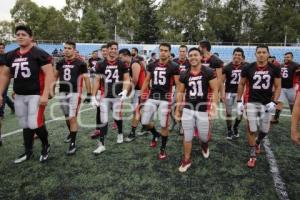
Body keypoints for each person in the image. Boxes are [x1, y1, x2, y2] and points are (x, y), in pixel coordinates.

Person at [0, 25, 55, 163]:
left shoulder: (39, 53)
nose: (20, 36)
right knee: (25, 124)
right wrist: (0, 93)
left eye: (23, 34)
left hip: (35, 94)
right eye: (18, 34)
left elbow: (49, 74)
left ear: (31, 37)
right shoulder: (11, 55)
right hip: (19, 94)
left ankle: (46, 145)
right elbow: (5, 75)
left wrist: (45, 94)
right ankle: (28, 151)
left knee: (34, 123)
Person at [237, 45, 281, 168]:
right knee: (251, 129)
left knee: (265, 130)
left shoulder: (275, 68)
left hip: (267, 103)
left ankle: (257, 142)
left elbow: (278, 87)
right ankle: (252, 156)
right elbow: (241, 84)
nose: (261, 54)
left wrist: (274, 102)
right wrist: (239, 100)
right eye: (259, 52)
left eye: (264, 52)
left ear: (268, 54)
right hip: (252, 101)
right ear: (255, 54)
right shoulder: (248, 67)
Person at [176, 47, 218, 172]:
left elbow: (215, 90)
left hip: (203, 109)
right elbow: (180, 92)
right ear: (188, 58)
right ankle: (187, 159)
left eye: (196, 55)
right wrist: (178, 109)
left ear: (201, 57)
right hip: (188, 108)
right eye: (191, 55)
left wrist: (213, 107)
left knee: (204, 137)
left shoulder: (209, 71)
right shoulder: (184, 73)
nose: (193, 57)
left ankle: (204, 146)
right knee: (187, 136)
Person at [140, 43, 180, 160]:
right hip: (152, 96)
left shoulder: (174, 66)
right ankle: (155, 134)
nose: (163, 52)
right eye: (161, 50)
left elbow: (178, 85)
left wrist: (177, 99)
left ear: (169, 52)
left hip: (165, 99)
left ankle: (162, 148)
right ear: (159, 51)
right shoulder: (152, 65)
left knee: (163, 124)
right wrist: (142, 96)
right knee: (145, 121)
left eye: (165, 50)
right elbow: (147, 80)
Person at [91, 41, 130, 154]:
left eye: (115, 48)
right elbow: (97, 80)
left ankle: (120, 133)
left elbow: (127, 79)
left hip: (117, 95)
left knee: (117, 116)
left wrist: (125, 90)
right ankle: (102, 144)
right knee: (104, 120)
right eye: (111, 48)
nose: (113, 50)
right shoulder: (100, 64)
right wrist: (93, 96)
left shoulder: (122, 64)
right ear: (107, 50)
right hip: (105, 95)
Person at [54, 41, 91, 155]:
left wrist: (89, 93)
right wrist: (50, 89)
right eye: (65, 48)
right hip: (62, 92)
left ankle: (73, 144)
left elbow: (86, 79)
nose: (66, 50)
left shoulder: (80, 63)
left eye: (69, 48)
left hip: (75, 92)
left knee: (72, 117)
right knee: (66, 116)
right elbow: (55, 76)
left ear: (74, 50)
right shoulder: (60, 62)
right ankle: (71, 132)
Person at [118, 48, 146, 142]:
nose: (120, 59)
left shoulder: (134, 63)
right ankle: (146, 127)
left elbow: (135, 80)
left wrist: (128, 91)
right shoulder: (130, 63)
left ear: (126, 55)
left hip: (141, 90)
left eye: (121, 57)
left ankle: (133, 133)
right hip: (138, 90)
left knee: (136, 111)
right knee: (136, 111)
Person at [221, 47, 246, 140]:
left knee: (240, 113)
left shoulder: (246, 66)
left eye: (239, 55)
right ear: (233, 55)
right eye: (235, 54)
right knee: (228, 113)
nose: (237, 56)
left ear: (242, 57)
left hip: (241, 93)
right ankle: (229, 130)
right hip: (229, 92)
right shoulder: (227, 67)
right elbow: (222, 82)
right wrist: (222, 94)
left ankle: (235, 126)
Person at [271, 52, 300, 124]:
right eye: (285, 57)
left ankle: (295, 118)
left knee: (292, 104)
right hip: (282, 88)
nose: (286, 58)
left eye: (288, 57)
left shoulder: (296, 65)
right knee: (279, 102)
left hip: (292, 88)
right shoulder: (281, 65)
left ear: (292, 58)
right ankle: (276, 118)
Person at [171, 45, 191, 132]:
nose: (182, 53)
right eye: (180, 51)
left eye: (184, 51)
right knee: (170, 107)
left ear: (186, 52)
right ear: (178, 52)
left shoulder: (190, 62)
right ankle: (174, 121)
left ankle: (182, 126)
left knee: (183, 107)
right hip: (176, 88)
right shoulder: (174, 61)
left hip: (187, 89)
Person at [90, 45, 108, 139]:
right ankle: (98, 129)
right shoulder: (99, 63)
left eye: (106, 50)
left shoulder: (116, 62)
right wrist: (94, 94)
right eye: (103, 51)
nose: (104, 52)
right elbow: (97, 80)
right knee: (99, 110)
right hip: (102, 90)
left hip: (113, 91)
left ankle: (119, 130)